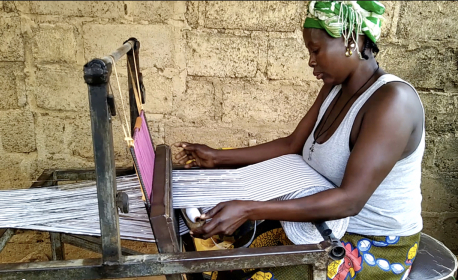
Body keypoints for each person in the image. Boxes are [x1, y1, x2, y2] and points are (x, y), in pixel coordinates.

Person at [174, 1, 425, 279]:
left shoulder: (393, 103)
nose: (311, 61)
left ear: (350, 40)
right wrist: (218, 158)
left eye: (315, 50)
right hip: (323, 223)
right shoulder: (334, 88)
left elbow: (349, 201)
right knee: (228, 262)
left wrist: (249, 209)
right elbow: (292, 145)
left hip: (368, 242)